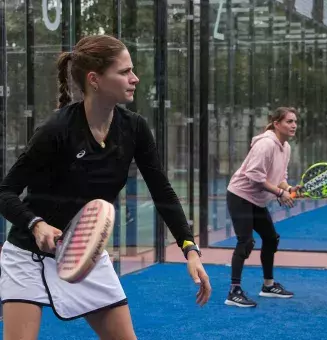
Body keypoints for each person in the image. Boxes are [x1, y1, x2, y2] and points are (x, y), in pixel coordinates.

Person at [0, 34, 211, 340]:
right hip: (27, 256)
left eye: (132, 70)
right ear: (95, 79)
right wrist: (37, 225)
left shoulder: (135, 128)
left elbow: (162, 192)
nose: (134, 78)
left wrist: (189, 249)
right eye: (124, 71)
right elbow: (5, 192)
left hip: (86, 254)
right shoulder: (56, 130)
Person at [225, 107, 301, 308]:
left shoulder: (286, 148)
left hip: (256, 199)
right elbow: (254, 177)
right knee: (246, 241)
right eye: (289, 121)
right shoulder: (266, 145)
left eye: (295, 122)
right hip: (240, 195)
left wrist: (289, 188)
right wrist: (279, 193)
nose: (294, 125)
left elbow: (280, 178)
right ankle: (234, 291)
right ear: (276, 124)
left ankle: (268, 286)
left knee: (270, 238)